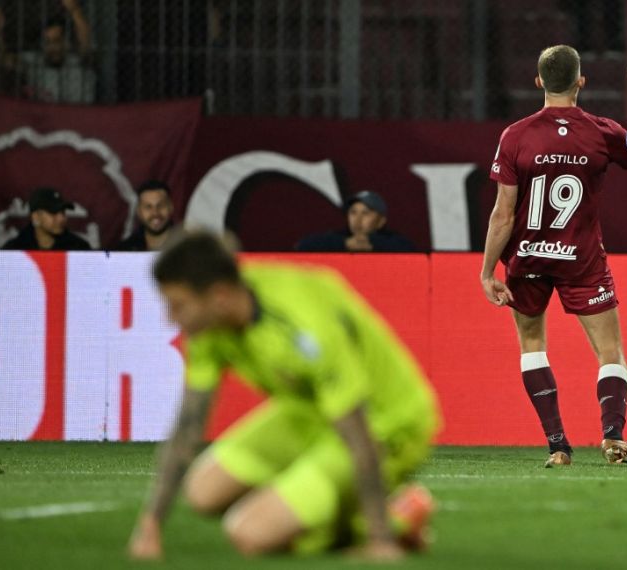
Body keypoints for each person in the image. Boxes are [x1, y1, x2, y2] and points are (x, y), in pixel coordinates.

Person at [127, 232, 440, 561]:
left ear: (218, 296)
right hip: (310, 413)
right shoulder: (210, 326)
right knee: (202, 493)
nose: (170, 319)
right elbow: (188, 429)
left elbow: (358, 432)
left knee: (249, 534)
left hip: (385, 423)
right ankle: (319, 510)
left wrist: (381, 540)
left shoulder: (303, 326)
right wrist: (151, 523)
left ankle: (395, 517)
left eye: (178, 305)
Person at [480, 45, 627, 469]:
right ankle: (613, 435)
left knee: (531, 344)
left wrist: (488, 269)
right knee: (610, 352)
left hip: (527, 257)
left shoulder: (515, 135)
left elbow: (503, 213)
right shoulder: (601, 131)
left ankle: (558, 446)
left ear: (539, 81)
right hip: (580, 258)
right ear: (582, 81)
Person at [0, 0, 96, 103]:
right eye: (47, 42)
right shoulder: (35, 61)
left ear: (66, 43)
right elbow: (5, 60)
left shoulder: (76, 60)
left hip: (79, 115)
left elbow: (86, 43)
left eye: (56, 41)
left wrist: (74, 10)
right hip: (46, 116)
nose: (52, 47)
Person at [296, 191, 415, 253]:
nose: (358, 219)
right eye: (353, 212)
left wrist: (372, 243)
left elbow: (409, 250)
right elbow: (303, 246)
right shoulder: (338, 238)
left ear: (381, 221)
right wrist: (344, 244)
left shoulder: (392, 240)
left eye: (366, 213)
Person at [2, 187, 91, 251]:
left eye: (63, 212)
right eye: (53, 212)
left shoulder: (79, 248)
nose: (61, 218)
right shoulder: (13, 250)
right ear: (36, 216)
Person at [116, 180, 175, 251]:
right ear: (138, 211)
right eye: (148, 207)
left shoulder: (187, 247)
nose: (155, 213)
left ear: (171, 207)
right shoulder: (124, 251)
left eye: (160, 205)